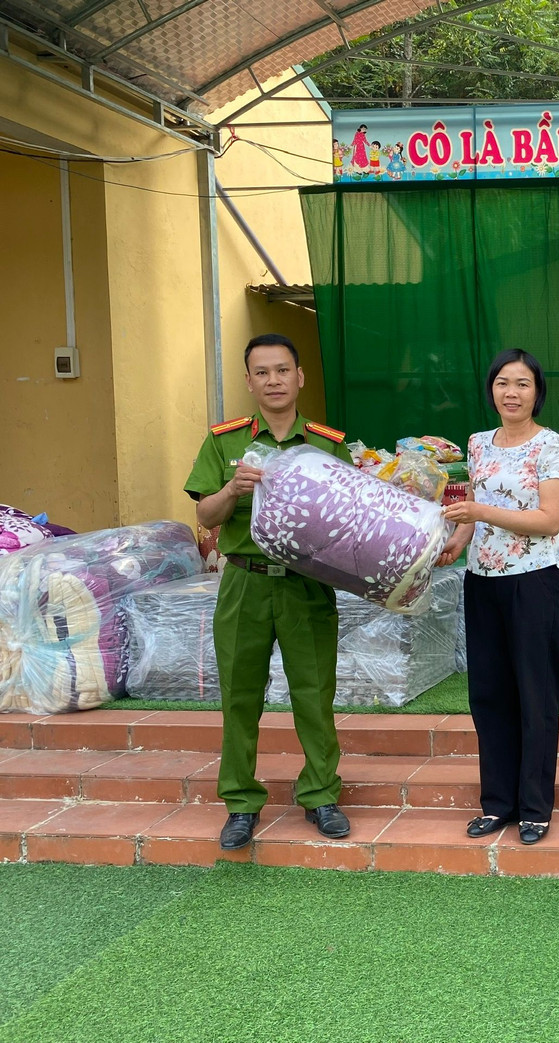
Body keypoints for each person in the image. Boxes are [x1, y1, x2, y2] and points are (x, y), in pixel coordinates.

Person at [184, 333, 354, 851]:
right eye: (262, 372)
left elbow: (350, 522)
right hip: (244, 582)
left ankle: (321, 795)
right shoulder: (224, 441)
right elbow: (204, 515)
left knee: (314, 694)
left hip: (306, 586)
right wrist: (231, 490)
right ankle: (240, 803)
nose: (274, 380)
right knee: (239, 697)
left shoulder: (327, 443)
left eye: (283, 370)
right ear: (249, 381)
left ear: (300, 377)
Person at [439, 349, 559, 845]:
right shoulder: (477, 444)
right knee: (489, 694)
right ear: (491, 389)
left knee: (535, 694)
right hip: (481, 580)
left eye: (522, 383)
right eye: (502, 383)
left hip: (533, 581)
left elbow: (550, 520)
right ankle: (497, 802)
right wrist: (453, 544)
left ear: (538, 391)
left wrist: (480, 510)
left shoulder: (554, 447)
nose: (511, 393)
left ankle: (536, 806)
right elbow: (473, 519)